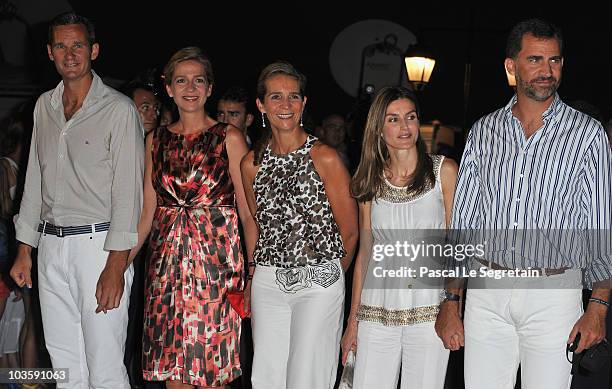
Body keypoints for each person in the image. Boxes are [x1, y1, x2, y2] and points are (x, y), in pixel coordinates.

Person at [435, 18, 612, 389]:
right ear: (511, 66)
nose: (547, 71)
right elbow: (465, 223)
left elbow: (600, 228)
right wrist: (451, 299)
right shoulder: (484, 131)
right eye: (535, 60)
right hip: (486, 292)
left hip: (555, 295)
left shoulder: (587, 135)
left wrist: (599, 306)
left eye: (555, 61)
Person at [10, 12, 144, 389]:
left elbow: (127, 194)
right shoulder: (43, 107)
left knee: (104, 366)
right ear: (50, 52)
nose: (70, 54)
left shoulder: (119, 109)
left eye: (78, 45)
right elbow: (34, 181)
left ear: (94, 50)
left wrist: (117, 265)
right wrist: (25, 247)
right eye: (61, 46)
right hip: (51, 246)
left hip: (98, 247)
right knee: (64, 364)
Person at [131, 46, 255, 389]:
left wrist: (253, 273)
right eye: (181, 80)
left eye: (198, 80)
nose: (189, 88)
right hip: (165, 269)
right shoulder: (155, 140)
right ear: (168, 88)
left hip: (216, 272)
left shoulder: (229, 137)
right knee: (173, 370)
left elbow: (248, 214)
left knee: (210, 369)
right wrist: (120, 263)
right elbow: (147, 212)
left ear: (209, 88)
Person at [240, 61, 358, 389]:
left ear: (304, 103)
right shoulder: (251, 164)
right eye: (276, 97)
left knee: (306, 376)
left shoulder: (325, 157)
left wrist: (329, 279)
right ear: (261, 105)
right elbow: (259, 224)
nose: (286, 105)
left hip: (318, 279)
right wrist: (252, 277)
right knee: (267, 377)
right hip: (268, 281)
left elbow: (350, 230)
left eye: (293, 97)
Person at [340, 86, 457, 389]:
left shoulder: (443, 172)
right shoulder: (368, 180)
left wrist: (453, 307)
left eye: (411, 117)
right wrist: (353, 322)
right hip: (375, 313)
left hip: (430, 312)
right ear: (378, 129)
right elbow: (365, 253)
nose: (404, 127)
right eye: (393, 119)